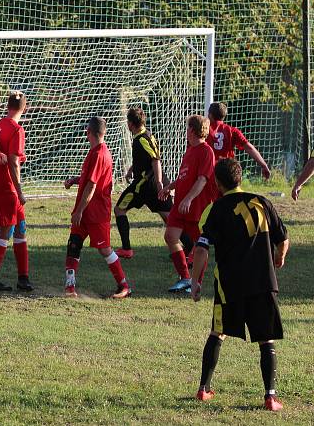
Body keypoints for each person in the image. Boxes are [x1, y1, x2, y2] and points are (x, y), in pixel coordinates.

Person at [190, 158, 289, 411]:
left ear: (217, 183)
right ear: (240, 178)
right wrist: (279, 257)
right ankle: (270, 396)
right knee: (266, 339)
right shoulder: (263, 202)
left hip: (229, 285)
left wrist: (195, 281)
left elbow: (201, 248)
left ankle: (203, 390)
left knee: (218, 332)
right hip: (262, 282)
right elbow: (283, 238)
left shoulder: (216, 209)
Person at [63, 116, 131, 299]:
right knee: (74, 244)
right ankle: (70, 287)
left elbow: (93, 185)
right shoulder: (94, 152)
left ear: (89, 132)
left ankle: (124, 286)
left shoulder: (101, 154)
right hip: (85, 210)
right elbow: (89, 179)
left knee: (105, 249)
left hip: (96, 212)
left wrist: (79, 211)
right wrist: (75, 180)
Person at [0, 91, 33, 292]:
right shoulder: (17, 130)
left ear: (7, 106)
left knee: (20, 227)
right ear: (24, 108)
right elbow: (13, 162)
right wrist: (20, 190)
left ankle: (23, 277)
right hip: (7, 186)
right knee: (7, 230)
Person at [113, 106, 180, 259]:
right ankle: (190, 249)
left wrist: (158, 183)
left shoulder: (141, 139)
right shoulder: (147, 134)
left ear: (130, 124)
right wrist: (132, 169)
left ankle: (126, 249)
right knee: (169, 217)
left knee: (119, 209)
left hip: (145, 184)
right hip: (153, 182)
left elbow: (156, 160)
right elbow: (148, 158)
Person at [159, 115, 216, 293]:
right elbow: (185, 177)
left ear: (191, 130)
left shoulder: (206, 151)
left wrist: (189, 199)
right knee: (170, 236)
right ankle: (185, 277)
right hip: (181, 205)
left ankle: (195, 283)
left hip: (195, 206)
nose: (185, 130)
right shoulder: (190, 150)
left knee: (200, 245)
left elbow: (202, 180)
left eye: (187, 127)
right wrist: (170, 186)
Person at [207, 102, 271, 179]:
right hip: (227, 172)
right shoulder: (232, 131)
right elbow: (249, 148)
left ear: (210, 115)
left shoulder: (204, 131)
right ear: (224, 116)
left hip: (209, 171)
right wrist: (263, 165)